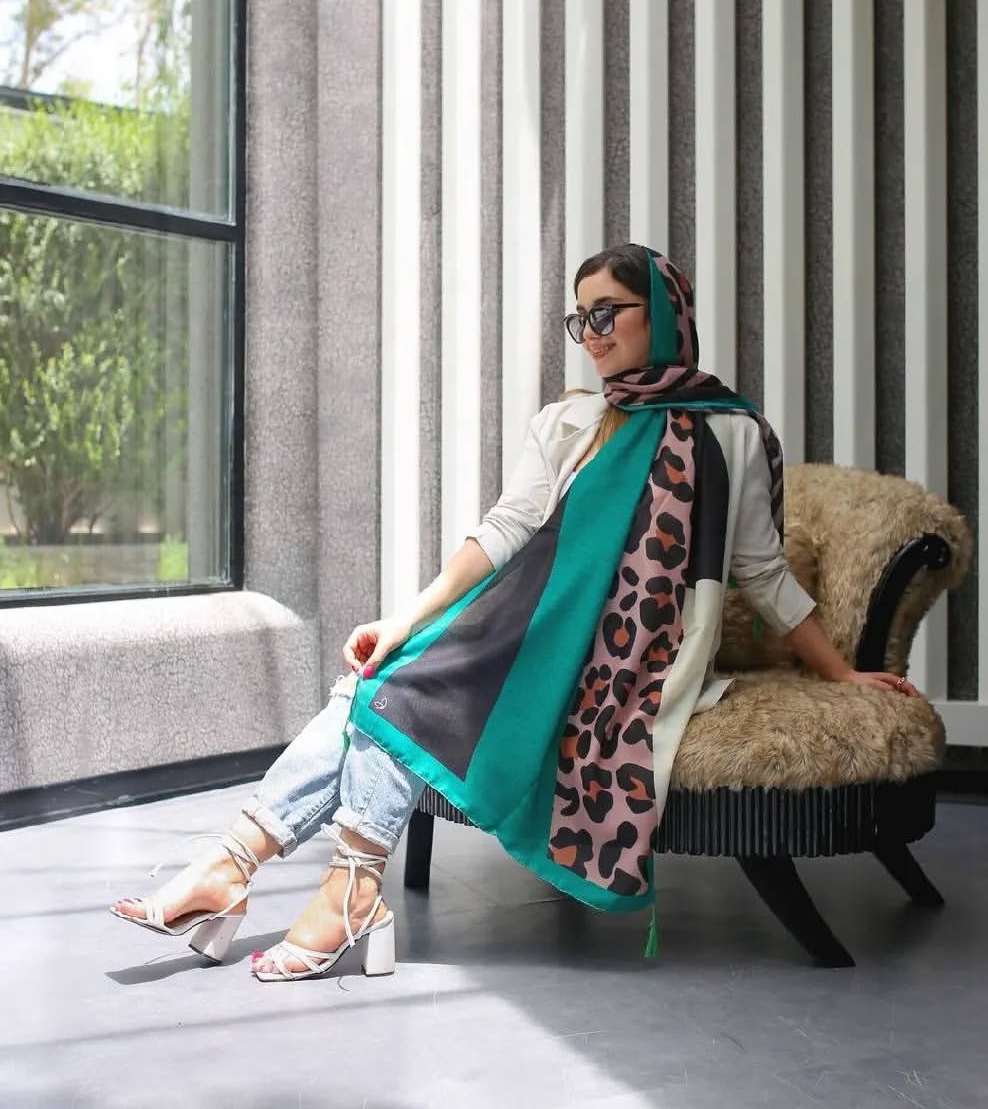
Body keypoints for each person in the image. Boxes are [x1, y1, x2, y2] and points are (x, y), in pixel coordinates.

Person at [110, 244, 919, 981]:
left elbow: (761, 571)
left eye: (608, 313)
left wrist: (841, 672)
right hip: (524, 623)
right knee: (384, 673)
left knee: (394, 692)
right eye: (581, 318)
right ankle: (291, 880)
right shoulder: (569, 419)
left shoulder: (733, 434)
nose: (591, 334)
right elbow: (504, 532)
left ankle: (261, 877)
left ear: (663, 315)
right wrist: (406, 619)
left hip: (631, 659)